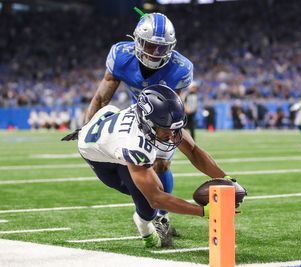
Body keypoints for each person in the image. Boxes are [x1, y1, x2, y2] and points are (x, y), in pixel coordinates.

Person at [63, 12, 193, 232]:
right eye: (149, 46)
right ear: (137, 41)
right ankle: (147, 204)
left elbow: (173, 109)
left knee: (161, 162)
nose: (154, 53)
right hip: (135, 113)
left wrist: (165, 135)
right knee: (139, 164)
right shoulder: (122, 56)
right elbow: (102, 98)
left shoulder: (180, 67)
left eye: (161, 48)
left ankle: (162, 216)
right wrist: (87, 126)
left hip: (163, 116)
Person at [78, 85, 233, 248]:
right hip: (97, 153)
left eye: (175, 128)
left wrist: (226, 179)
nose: (172, 135)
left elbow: (193, 151)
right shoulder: (133, 144)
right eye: (166, 129)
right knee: (147, 200)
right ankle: (143, 226)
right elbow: (156, 199)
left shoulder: (157, 119)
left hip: (111, 123)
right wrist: (205, 212)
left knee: (155, 181)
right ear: (148, 123)